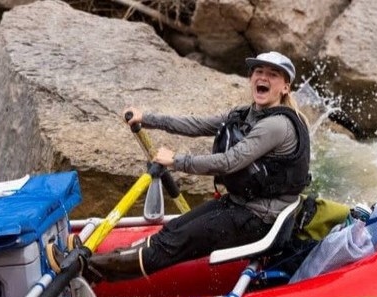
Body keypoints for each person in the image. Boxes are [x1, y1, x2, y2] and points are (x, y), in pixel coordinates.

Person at [52, 51, 311, 285]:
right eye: (259, 72)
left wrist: (177, 161)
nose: (263, 77)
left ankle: (85, 269)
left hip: (260, 220)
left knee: (173, 243)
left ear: (285, 87)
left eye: (272, 74)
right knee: (171, 230)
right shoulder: (245, 114)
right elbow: (198, 125)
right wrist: (148, 118)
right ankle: (99, 262)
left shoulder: (277, 125)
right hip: (240, 204)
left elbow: (230, 161)